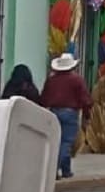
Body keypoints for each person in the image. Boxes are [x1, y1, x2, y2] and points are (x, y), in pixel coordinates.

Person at [38, 52, 91, 180]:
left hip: (54, 112)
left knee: (57, 141)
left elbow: (44, 98)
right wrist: (87, 115)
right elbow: (85, 100)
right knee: (66, 142)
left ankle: (66, 170)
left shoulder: (51, 80)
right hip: (70, 113)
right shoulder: (77, 80)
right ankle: (55, 169)